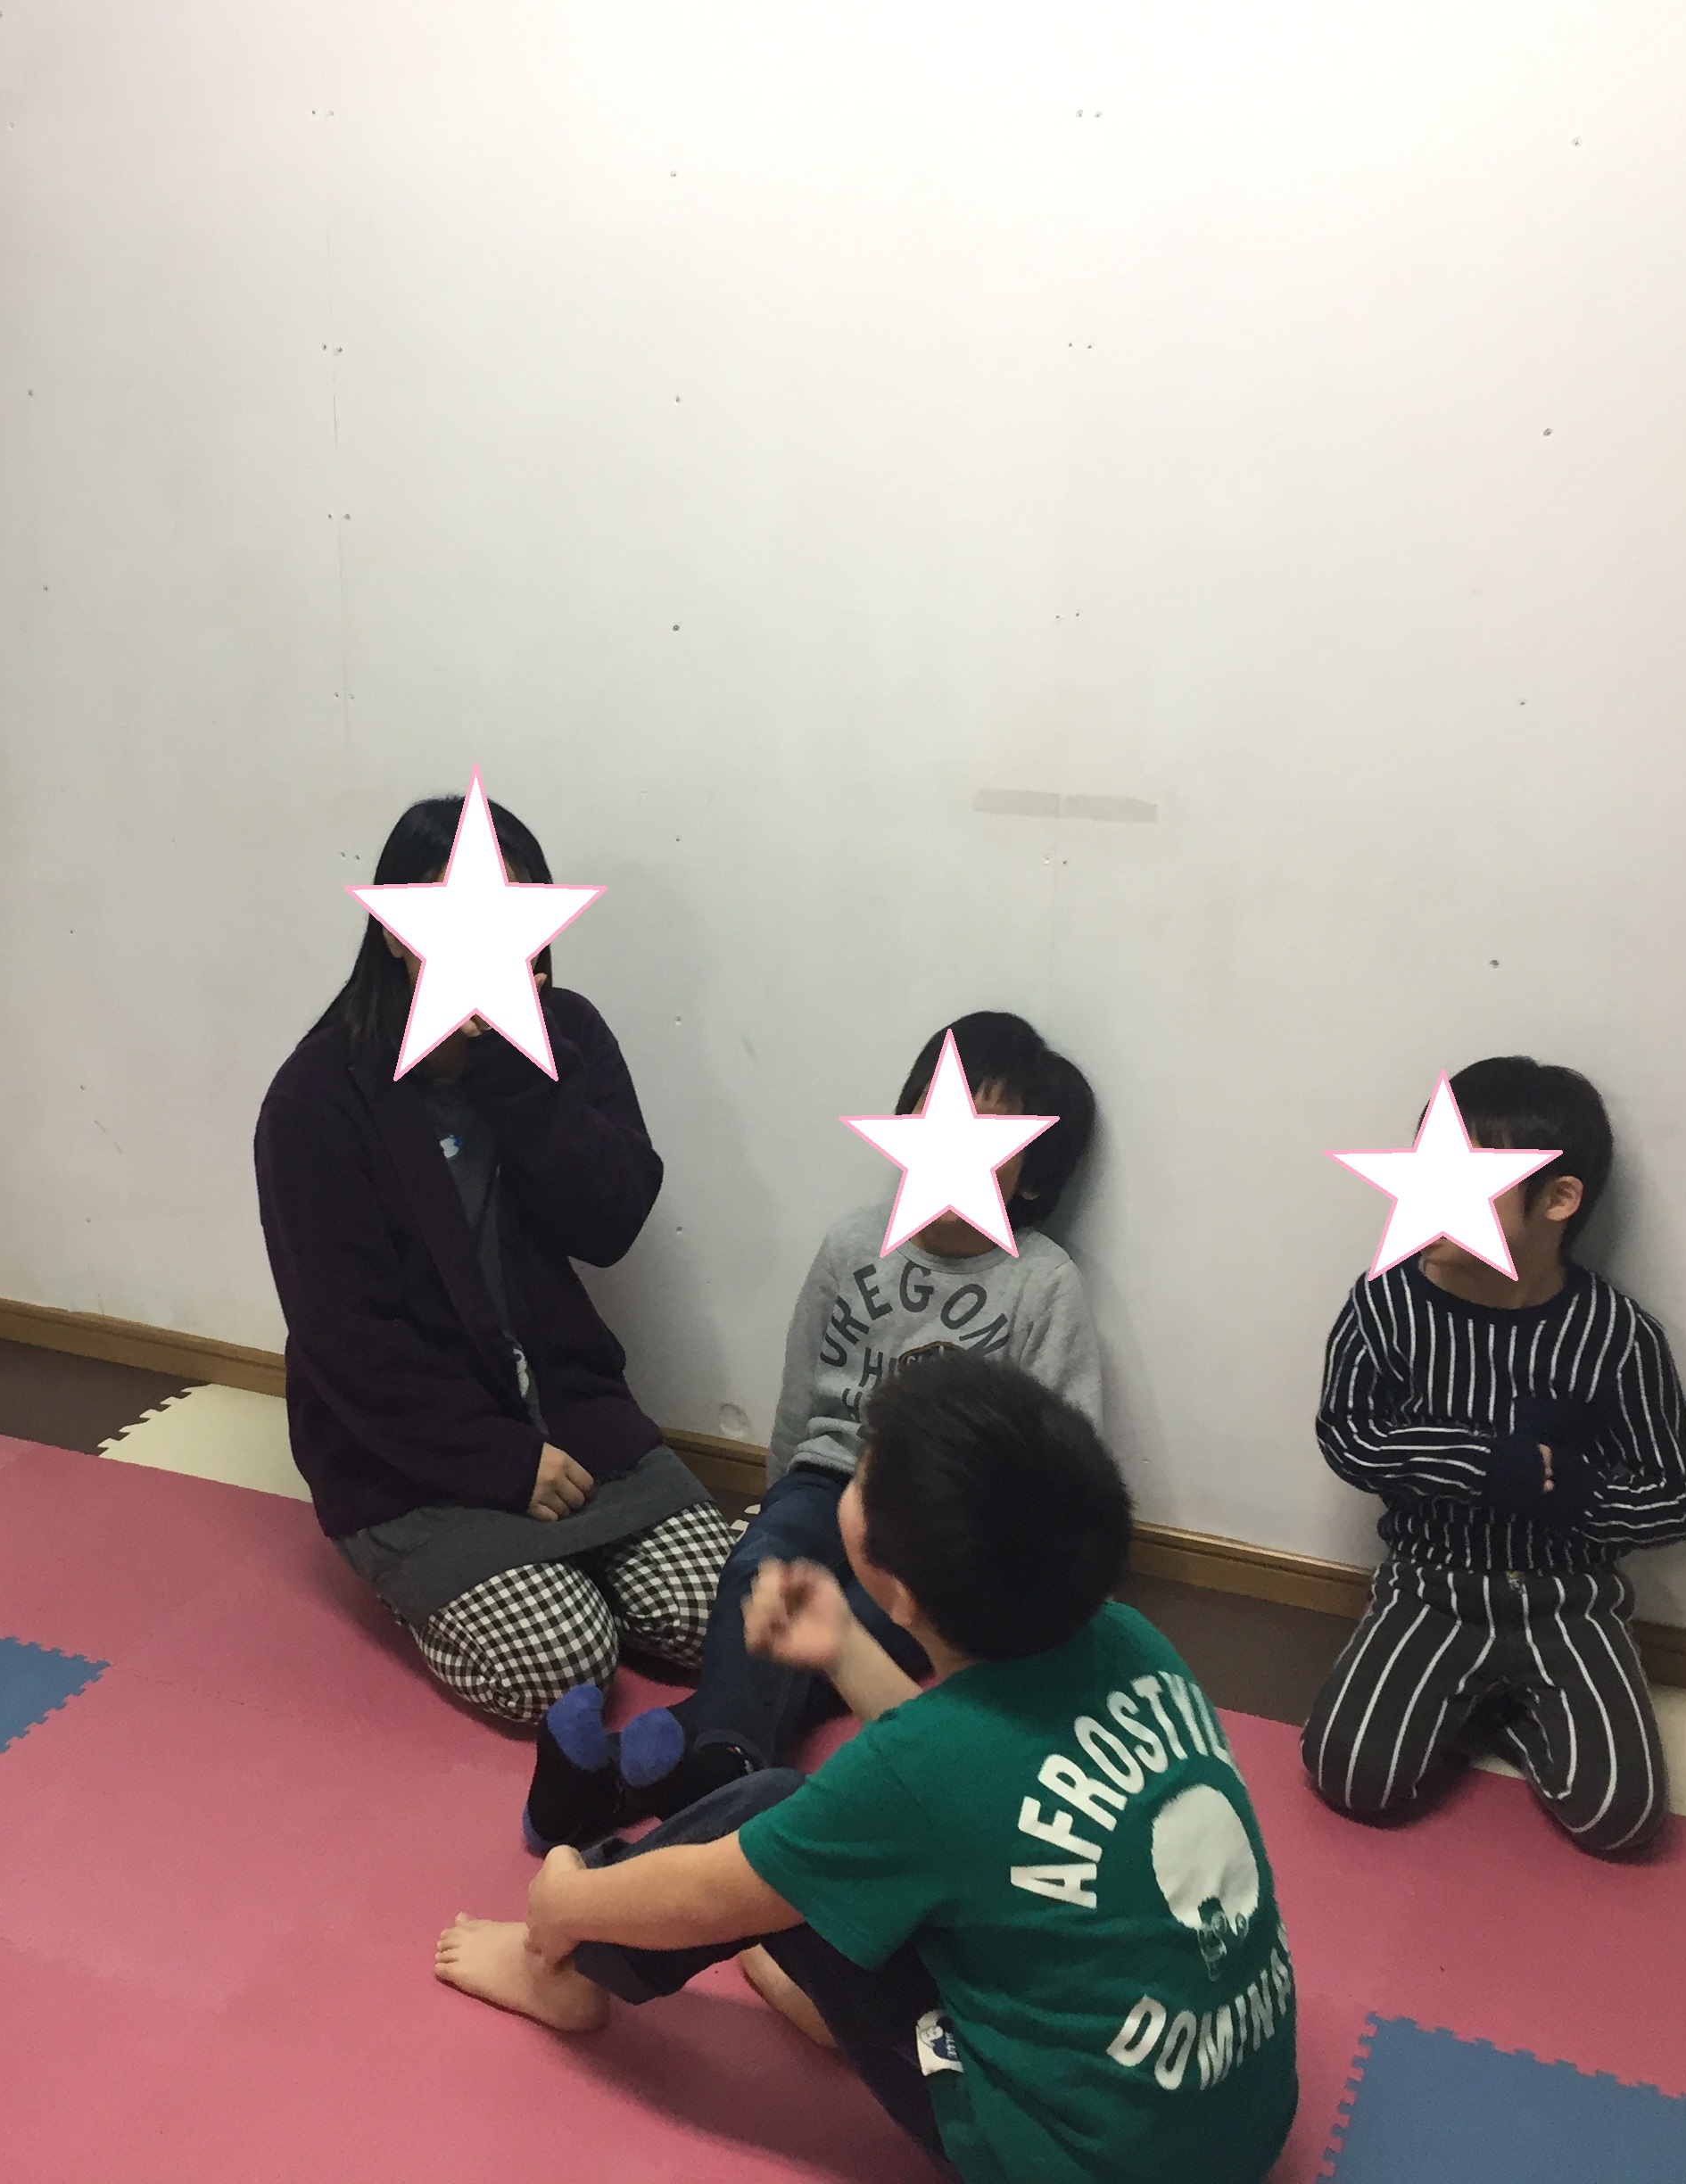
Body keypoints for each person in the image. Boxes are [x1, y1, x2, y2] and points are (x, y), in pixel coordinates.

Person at [435, 1351, 1300, 2184]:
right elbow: (968, 1781)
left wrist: (565, 1904)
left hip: (1062, 2159)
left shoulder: (918, 1770)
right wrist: (845, 1647)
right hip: (1237, 2131)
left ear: (900, 1592)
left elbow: (710, 1893)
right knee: (918, 1869)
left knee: (767, 1810)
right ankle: (837, 2004)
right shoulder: (1128, 1640)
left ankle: (563, 1970)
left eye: (859, 1477)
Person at [525, 1011, 1101, 1848]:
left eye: (990, 1131)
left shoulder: (1043, 1285)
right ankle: (722, 1762)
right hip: (828, 1477)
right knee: (762, 1574)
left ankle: (611, 1782)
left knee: (851, 1628)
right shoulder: (852, 1245)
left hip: (938, 1522)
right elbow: (803, 1388)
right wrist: (773, 1500)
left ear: (1035, 1176)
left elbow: (1066, 1455)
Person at [254, 793, 737, 1724]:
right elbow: (343, 1336)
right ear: (395, 930)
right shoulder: (317, 1099)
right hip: (409, 1457)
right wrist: (504, 1465)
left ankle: (585, 1576)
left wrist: (518, 1065)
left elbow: (611, 1220)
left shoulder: (570, 1035)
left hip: (576, 1417)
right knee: (564, 1665)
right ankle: (450, 1587)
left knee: (724, 1618)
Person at [1300, 1056, 1686, 1856]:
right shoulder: (1386, 1304)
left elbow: (1682, 1498)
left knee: (1622, 1819)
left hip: (1569, 1599)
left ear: (1558, 1199)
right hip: (1430, 1585)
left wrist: (1572, 1489)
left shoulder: (1616, 1335)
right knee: (1350, 1776)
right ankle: (1457, 1697)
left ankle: (1500, 1711)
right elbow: (1349, 1436)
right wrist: (1480, 1462)